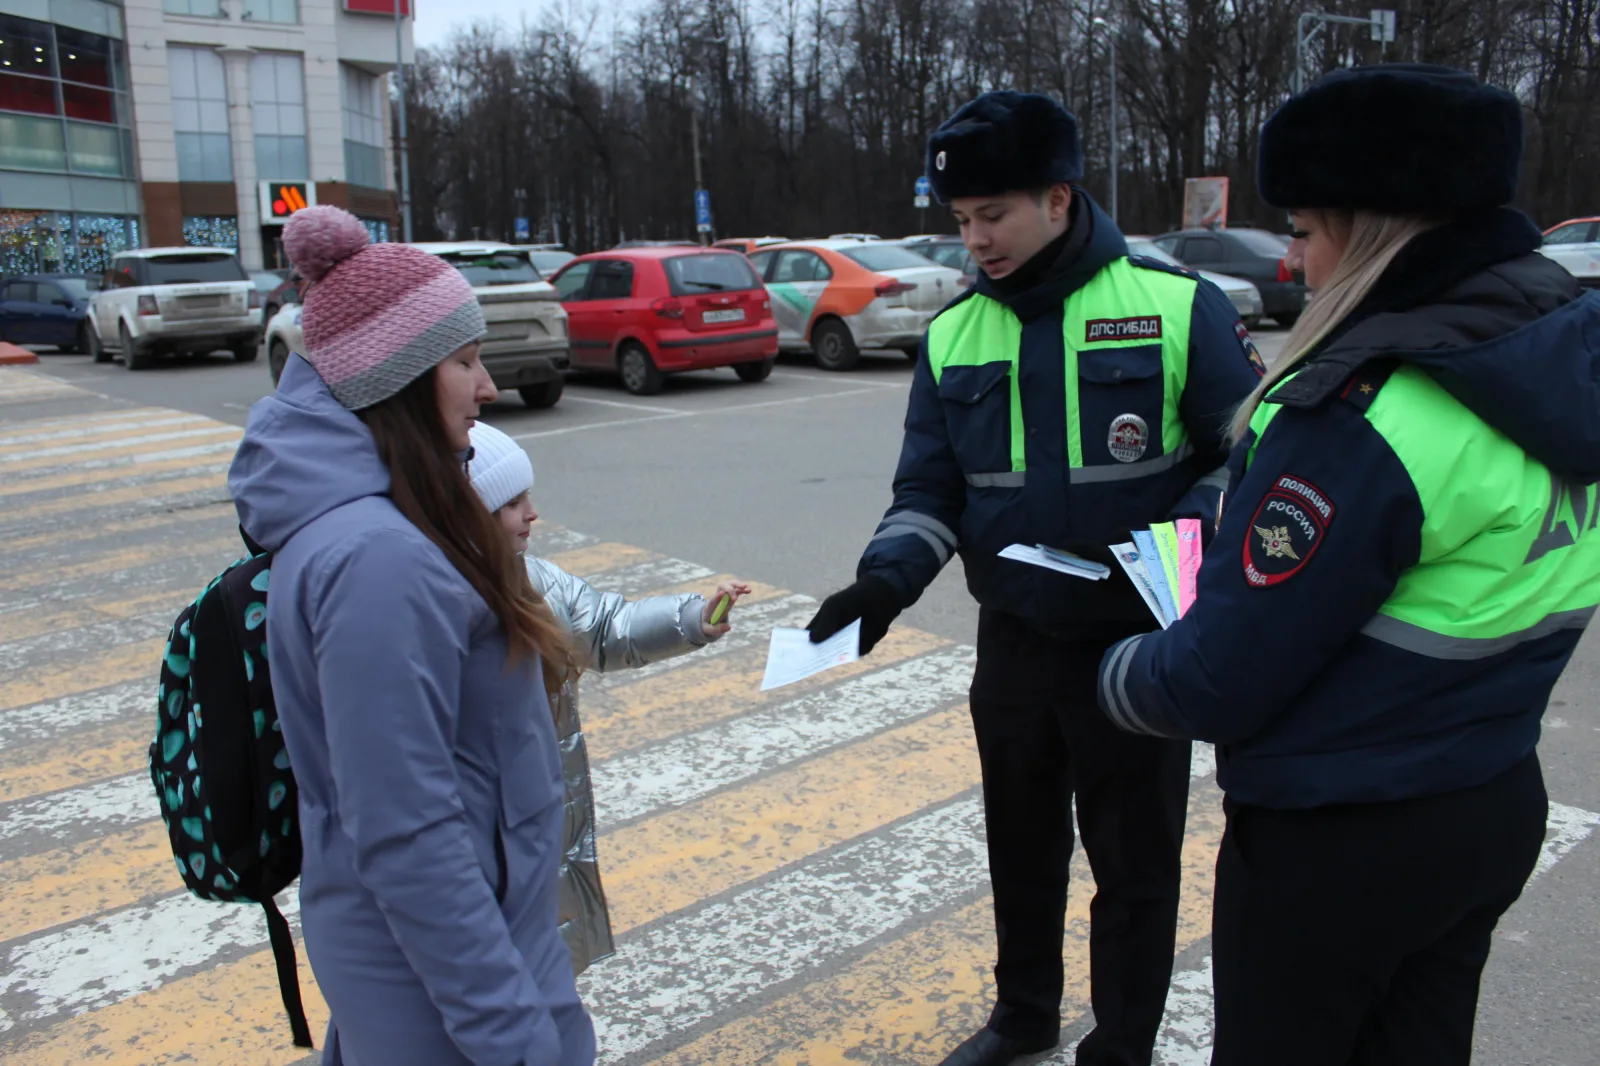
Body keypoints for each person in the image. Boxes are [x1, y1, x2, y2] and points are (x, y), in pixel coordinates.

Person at [1094, 64, 1600, 1064]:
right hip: (1493, 790)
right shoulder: (1554, 363)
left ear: (1371, 237)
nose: (1294, 260)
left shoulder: (1363, 416)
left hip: (1342, 834)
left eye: (1304, 230)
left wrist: (1113, 673)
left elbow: (1218, 678)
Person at [806, 91, 1265, 1066]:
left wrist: (1175, 539)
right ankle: (1022, 1017)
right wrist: (883, 585)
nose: (975, 240)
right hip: (1014, 642)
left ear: (1059, 199)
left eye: (993, 215)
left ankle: (1123, 1040)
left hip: (1133, 640)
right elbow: (930, 490)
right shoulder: (954, 334)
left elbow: (1247, 459)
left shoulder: (1175, 304)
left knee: (1133, 862)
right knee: (1019, 845)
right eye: (960, 219)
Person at [229, 205, 595, 1065]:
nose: (488, 386)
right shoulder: (378, 560)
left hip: (451, 964)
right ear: (395, 379)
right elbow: (406, 833)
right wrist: (514, 1040)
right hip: (453, 997)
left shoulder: (380, 527)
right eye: (464, 361)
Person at [465, 421, 749, 974]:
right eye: (513, 503)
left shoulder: (537, 581)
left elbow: (604, 629)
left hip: (541, 825)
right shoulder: (446, 605)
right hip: (488, 845)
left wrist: (694, 618)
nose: (533, 514)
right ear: (469, 516)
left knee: (543, 970)